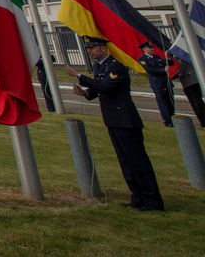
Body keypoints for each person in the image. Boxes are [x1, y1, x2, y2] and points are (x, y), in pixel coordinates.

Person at [67, 36, 163, 211]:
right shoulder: (99, 67)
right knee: (124, 161)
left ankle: (152, 200)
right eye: (88, 48)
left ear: (103, 48)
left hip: (125, 120)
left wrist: (79, 75)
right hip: (111, 119)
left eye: (93, 48)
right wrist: (84, 93)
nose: (89, 51)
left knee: (137, 161)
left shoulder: (115, 66)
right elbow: (97, 90)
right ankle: (137, 196)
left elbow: (107, 87)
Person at [137, 42, 174, 127]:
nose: (152, 49)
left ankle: (173, 117)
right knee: (163, 102)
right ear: (144, 49)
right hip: (157, 83)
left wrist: (167, 57)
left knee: (170, 101)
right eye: (150, 48)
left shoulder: (157, 57)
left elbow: (169, 63)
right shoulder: (143, 59)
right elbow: (150, 70)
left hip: (166, 82)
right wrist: (163, 70)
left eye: (152, 48)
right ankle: (168, 121)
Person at [174, 58, 205, 127]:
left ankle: (203, 122)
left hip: (191, 84)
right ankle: (202, 121)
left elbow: (179, 72)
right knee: (197, 104)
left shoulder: (183, 59)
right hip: (191, 83)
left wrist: (170, 73)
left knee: (197, 104)